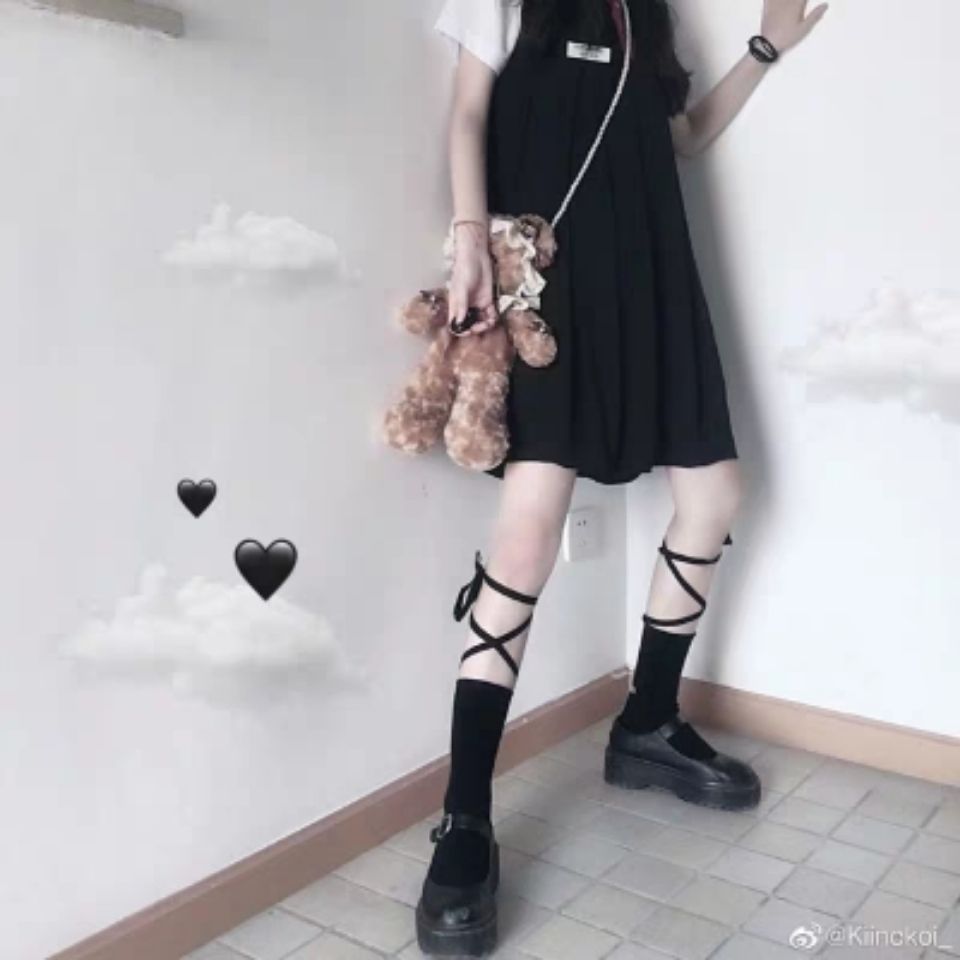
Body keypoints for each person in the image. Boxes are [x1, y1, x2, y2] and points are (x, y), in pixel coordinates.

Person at [415, 0, 829, 955]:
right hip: (555, 290)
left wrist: (765, 49)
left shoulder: (646, 12)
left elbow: (682, 137)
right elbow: (467, 112)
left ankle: (646, 722)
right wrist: (469, 240)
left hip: (655, 281)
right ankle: (465, 817)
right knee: (528, 534)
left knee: (714, 493)